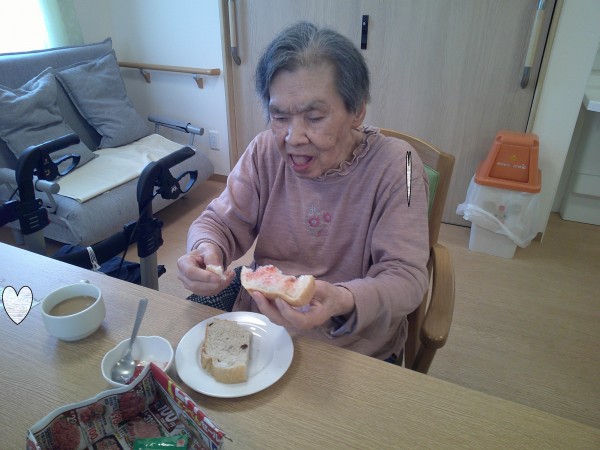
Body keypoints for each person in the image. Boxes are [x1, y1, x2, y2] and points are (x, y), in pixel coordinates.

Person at [177, 21, 430, 361]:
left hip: (352, 342)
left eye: (314, 117)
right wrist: (204, 249)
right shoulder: (264, 151)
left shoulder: (403, 165)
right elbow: (219, 222)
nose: (293, 138)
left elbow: (406, 277)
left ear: (357, 110)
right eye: (279, 117)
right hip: (261, 326)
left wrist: (342, 299)